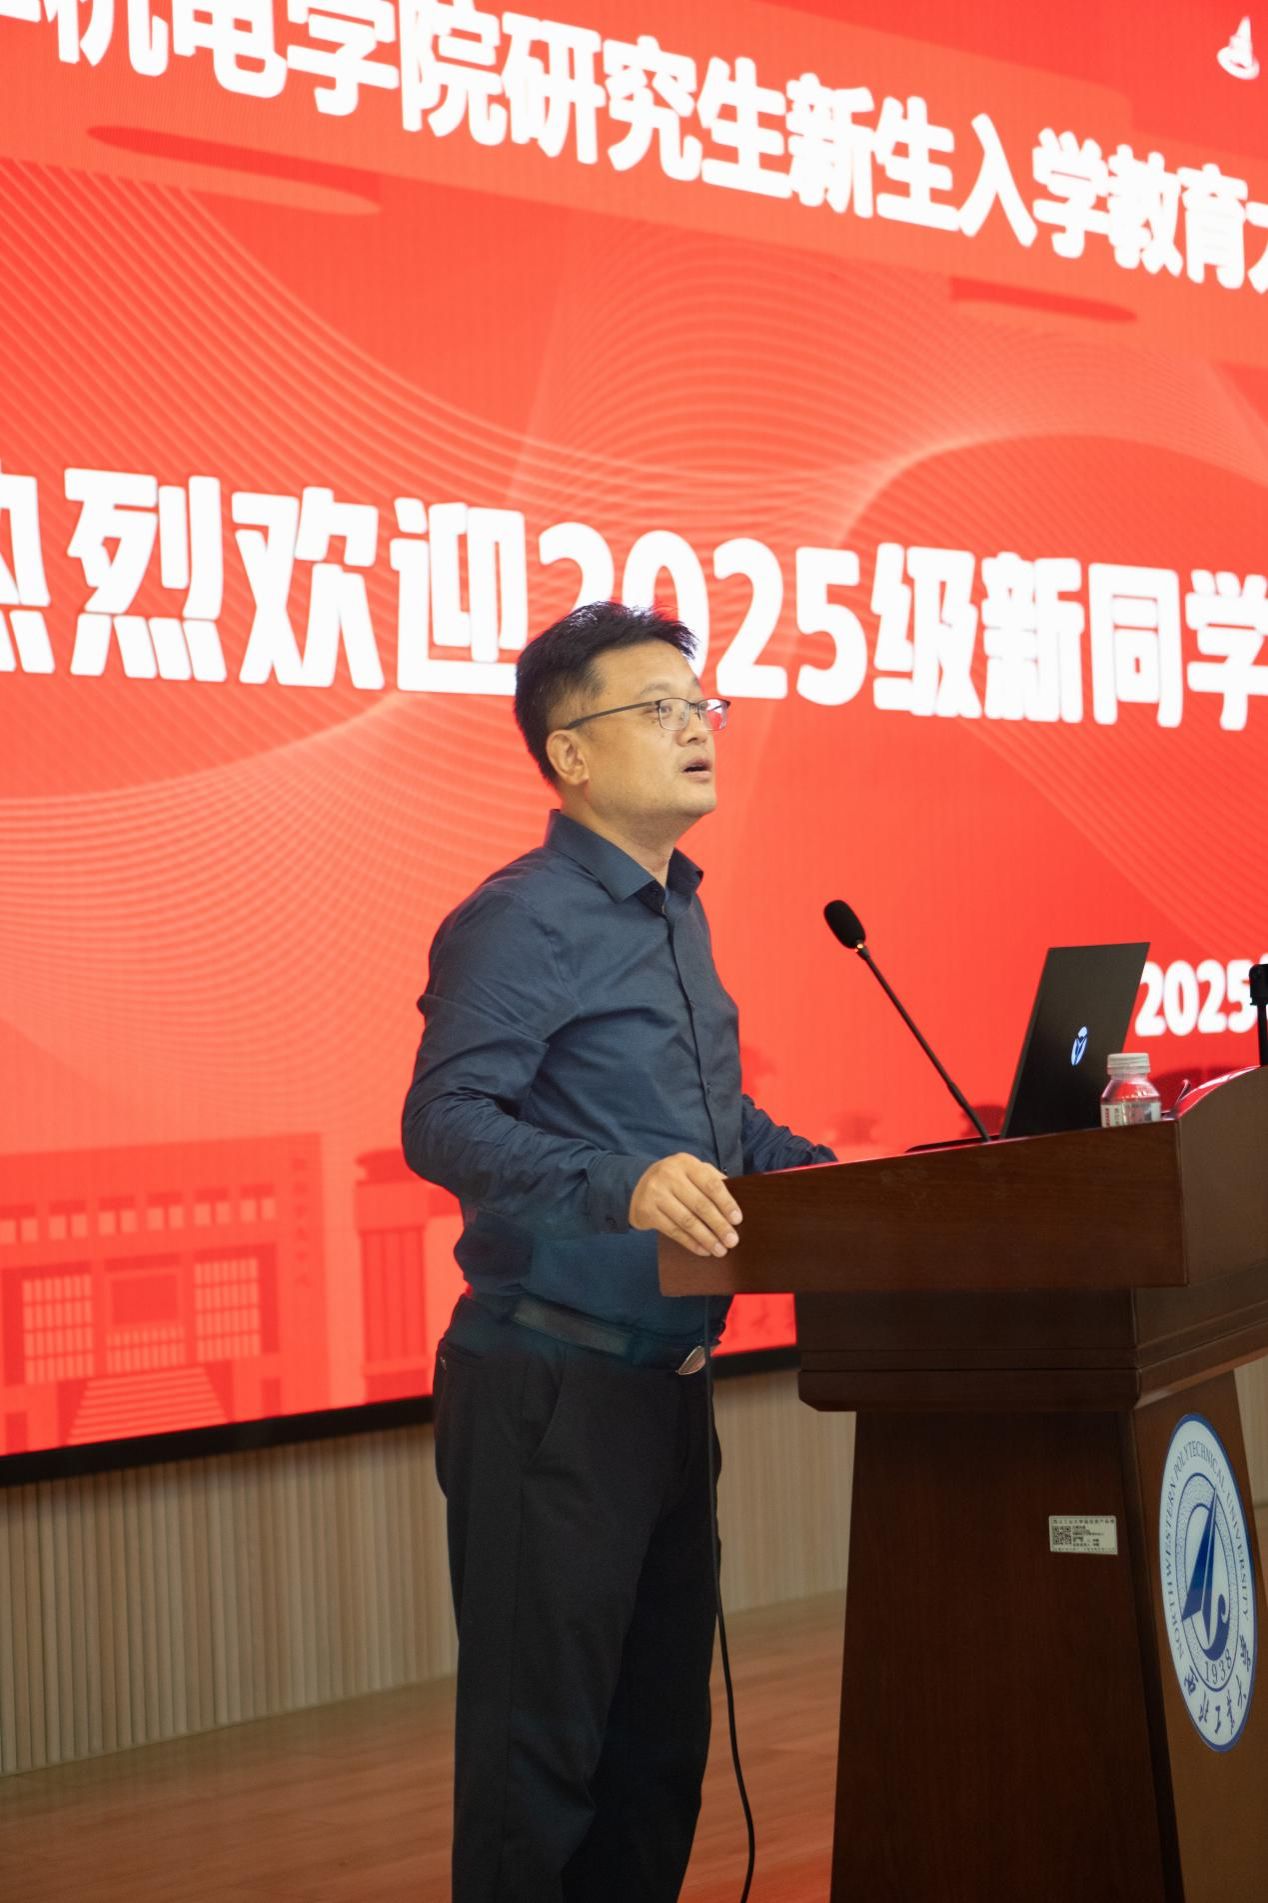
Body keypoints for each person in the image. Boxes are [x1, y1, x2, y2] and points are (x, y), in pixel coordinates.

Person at [402, 600, 834, 1902]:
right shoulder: (521, 918)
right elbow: (443, 1119)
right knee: (540, 1772)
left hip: (667, 1392)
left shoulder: (672, 912)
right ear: (572, 753)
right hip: (550, 1391)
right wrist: (621, 1186)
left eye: (702, 706)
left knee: (657, 1761)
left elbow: (712, 1127)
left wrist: (844, 1183)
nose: (698, 726)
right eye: (661, 708)